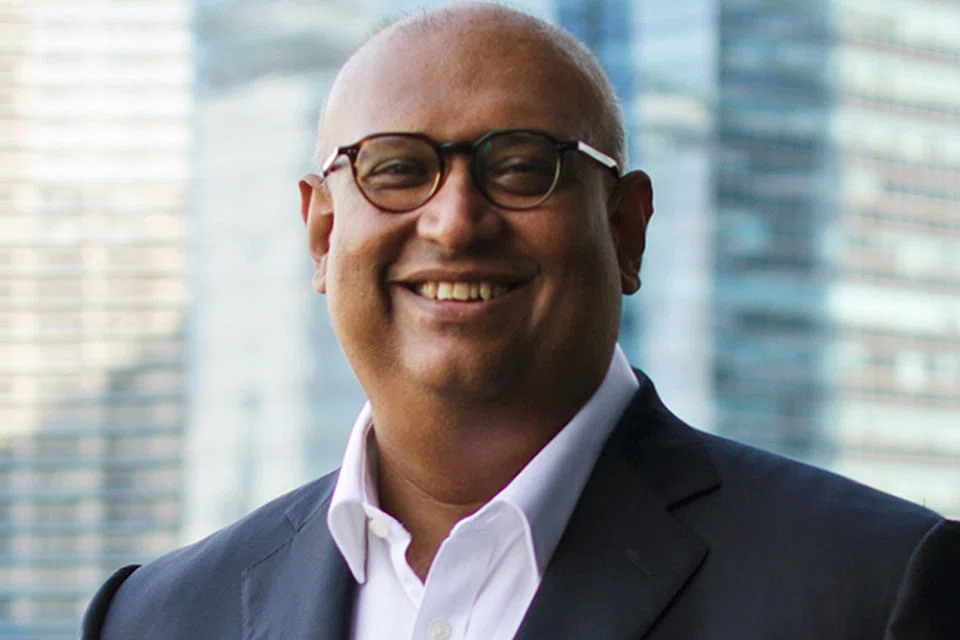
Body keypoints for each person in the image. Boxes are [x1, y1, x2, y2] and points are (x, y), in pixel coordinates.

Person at [82, 3, 959, 638]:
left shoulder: (876, 590)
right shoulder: (154, 618)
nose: (454, 221)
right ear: (321, 235)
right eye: (396, 169)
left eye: (522, 167)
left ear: (626, 230)